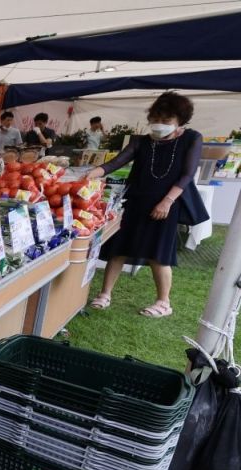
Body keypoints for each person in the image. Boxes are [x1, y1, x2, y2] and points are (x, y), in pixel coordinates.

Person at [85, 92, 209, 318]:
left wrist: (167, 201)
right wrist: (93, 173)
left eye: (166, 120)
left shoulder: (191, 138)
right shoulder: (141, 141)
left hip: (167, 204)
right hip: (136, 200)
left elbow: (187, 174)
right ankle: (105, 293)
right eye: (156, 119)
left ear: (180, 120)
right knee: (118, 248)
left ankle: (163, 302)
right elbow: (116, 162)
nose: (160, 124)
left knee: (158, 253)